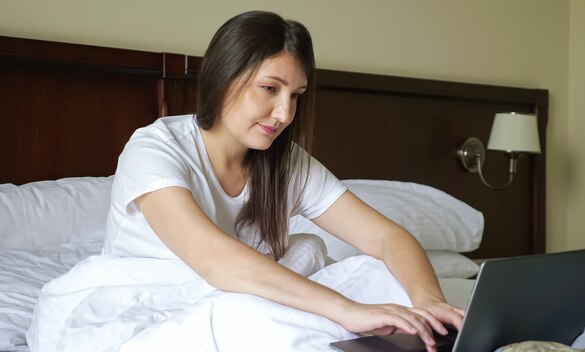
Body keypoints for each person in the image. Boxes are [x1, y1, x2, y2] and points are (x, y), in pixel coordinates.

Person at [103, 10, 463, 352]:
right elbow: (214, 260)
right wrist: (346, 310)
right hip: (150, 303)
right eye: (270, 89)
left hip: (246, 293)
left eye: (296, 96)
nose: (285, 114)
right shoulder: (155, 149)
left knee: (382, 277)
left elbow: (387, 237)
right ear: (224, 77)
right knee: (252, 313)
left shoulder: (284, 163)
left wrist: (429, 300)